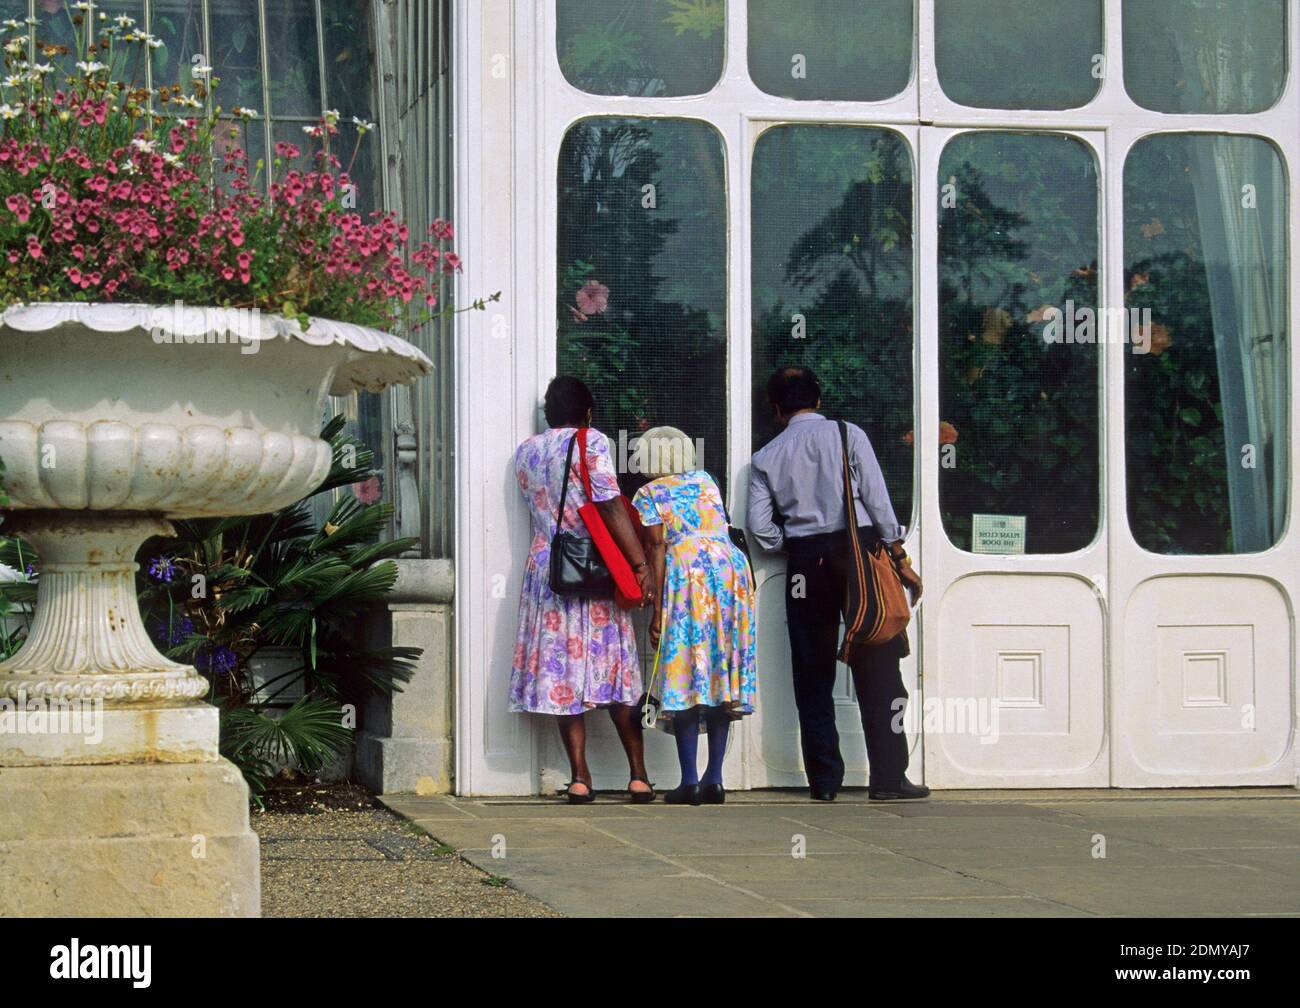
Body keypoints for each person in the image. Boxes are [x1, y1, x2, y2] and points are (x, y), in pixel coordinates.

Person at [747, 366, 927, 802]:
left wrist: (796, 543)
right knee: (880, 664)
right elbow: (878, 499)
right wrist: (896, 552)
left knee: (811, 671)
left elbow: (760, 528)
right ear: (819, 399)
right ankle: (888, 778)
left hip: (806, 564)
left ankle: (824, 781)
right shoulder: (848, 435)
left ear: (776, 409)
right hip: (859, 554)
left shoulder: (765, 457)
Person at [509, 376, 656, 804]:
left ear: (548, 414)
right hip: (593, 568)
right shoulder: (590, 441)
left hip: (548, 570)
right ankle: (639, 776)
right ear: (588, 411)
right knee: (616, 671)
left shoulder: (526, 452)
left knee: (563, 674)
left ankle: (579, 778)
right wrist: (640, 563)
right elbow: (610, 504)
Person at [632, 427, 756, 805]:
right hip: (729, 572)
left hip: (687, 575)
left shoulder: (648, 494)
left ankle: (689, 781)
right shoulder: (707, 480)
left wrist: (657, 611)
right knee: (720, 673)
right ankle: (714, 778)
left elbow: (655, 546)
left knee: (684, 671)